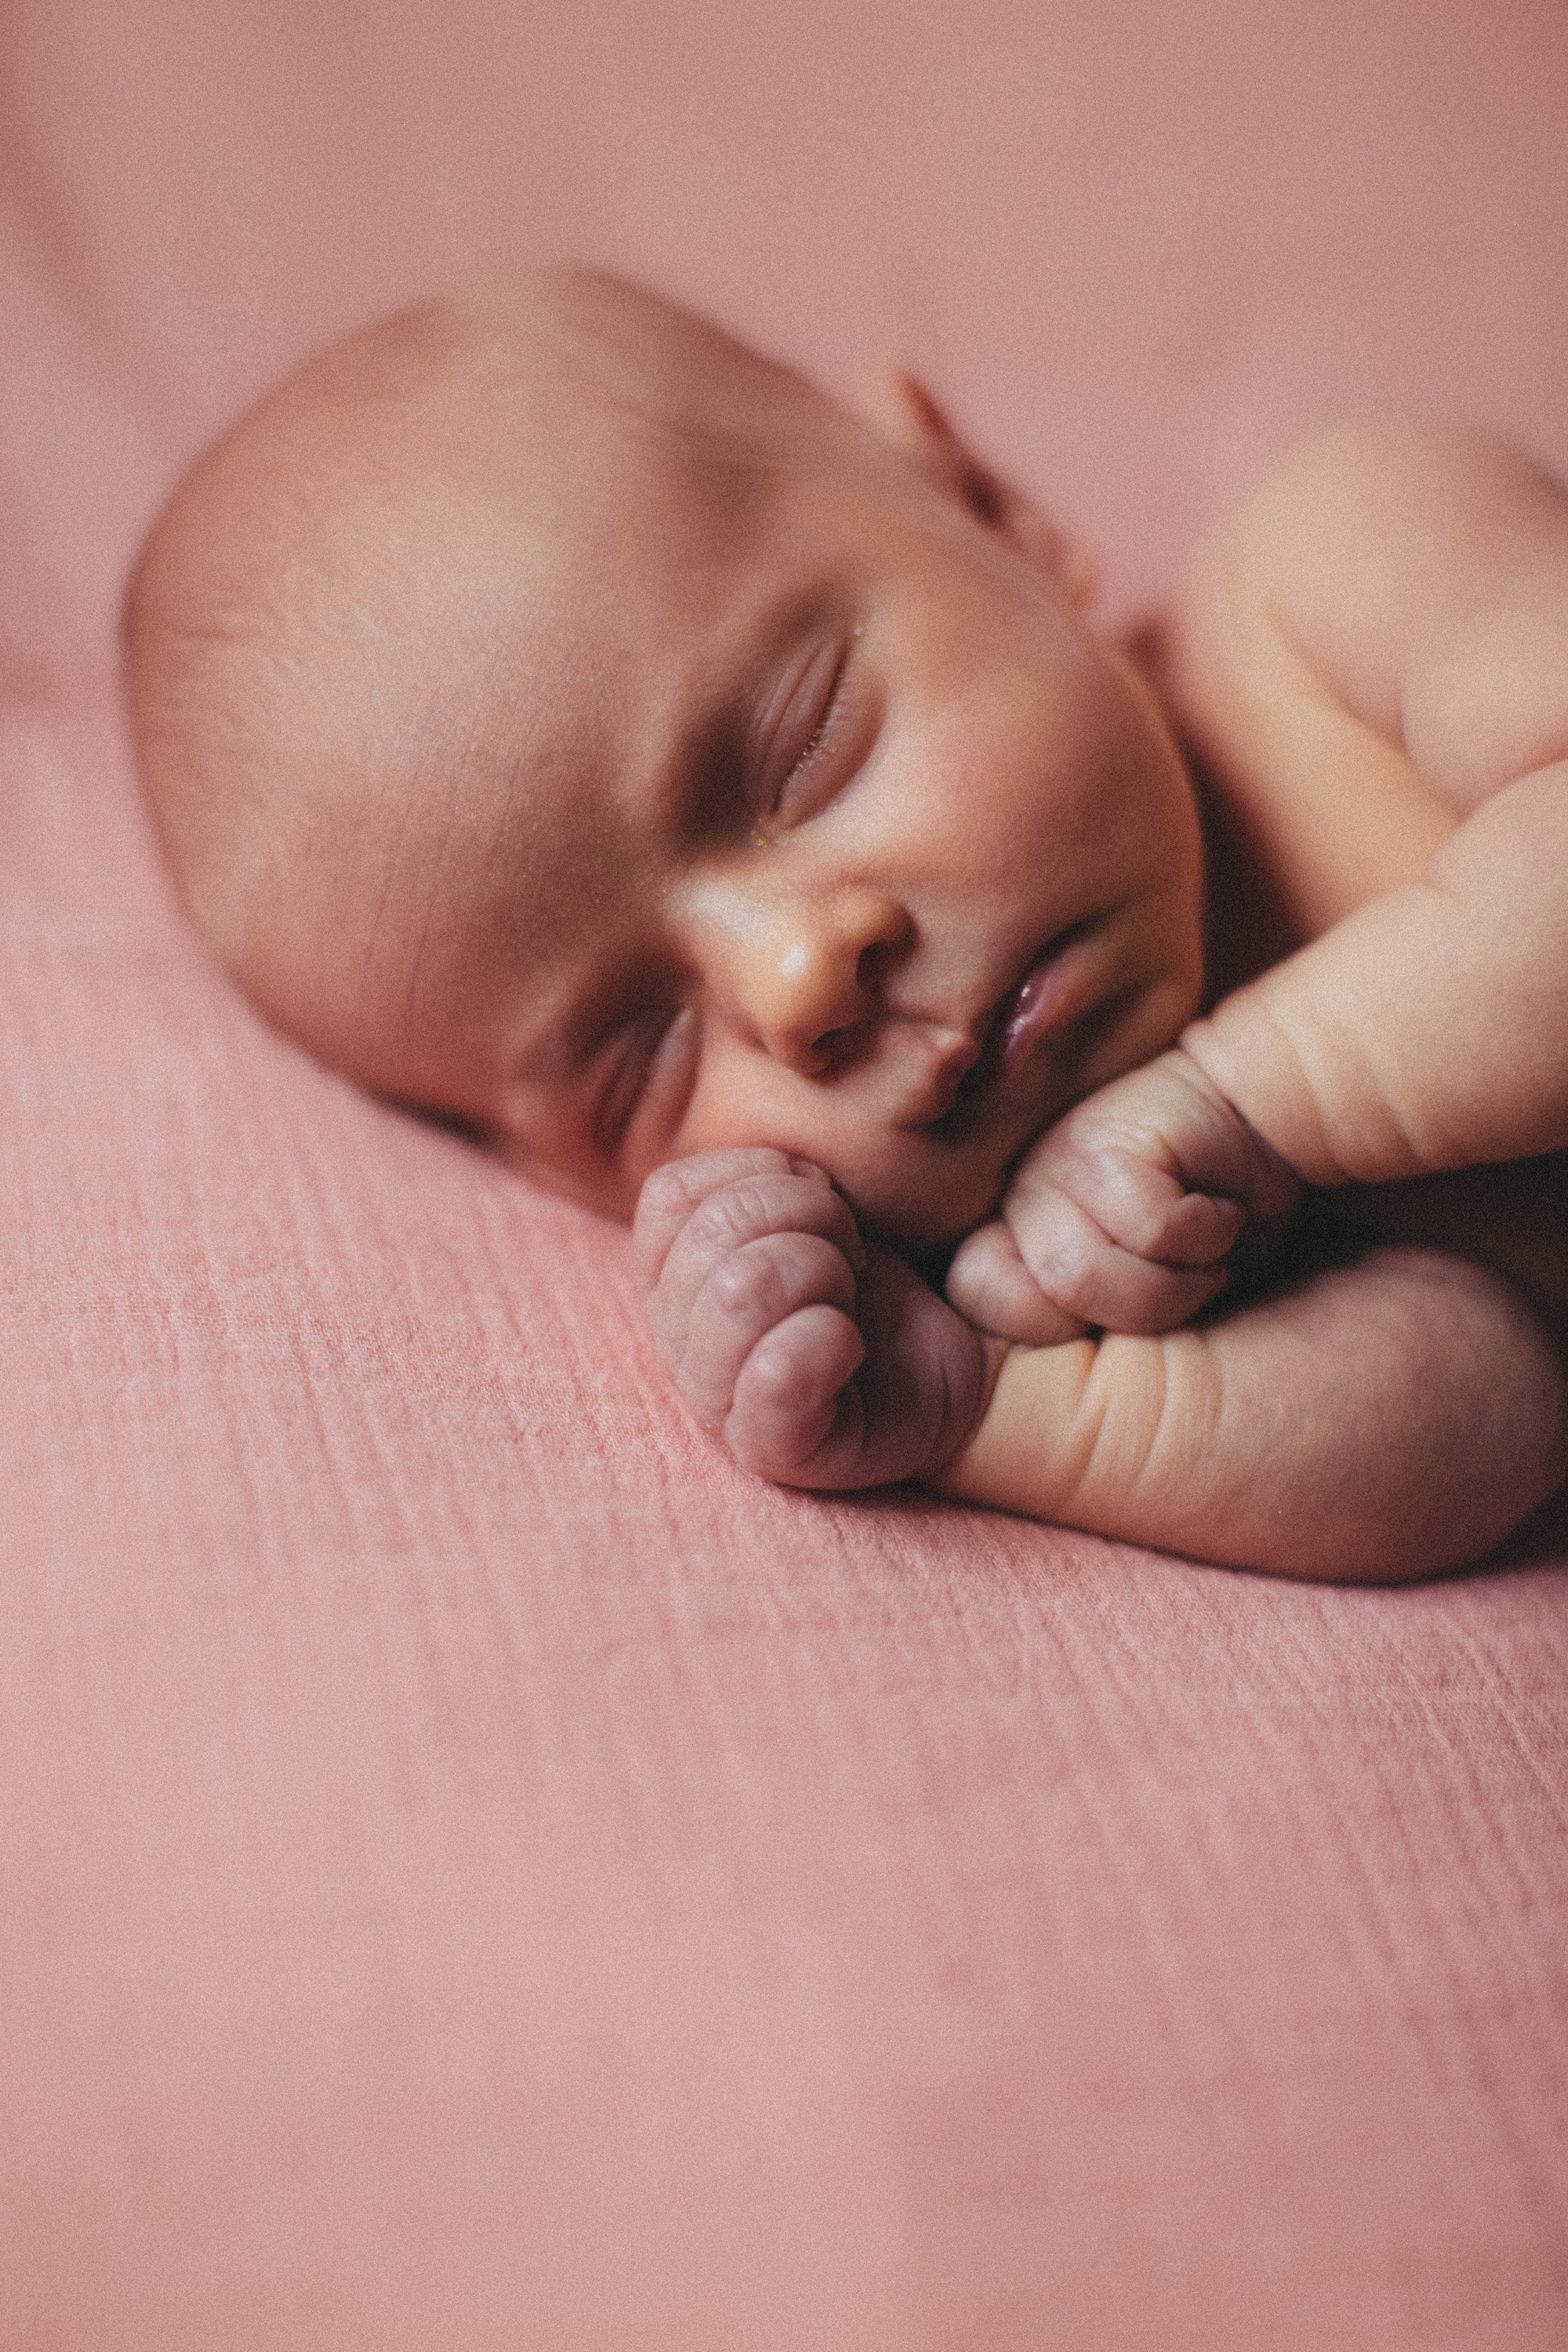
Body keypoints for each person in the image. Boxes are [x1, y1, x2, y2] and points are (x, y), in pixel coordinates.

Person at [123, 269, 1568, 1581]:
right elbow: (1490, 1430)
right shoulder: (1062, 1241)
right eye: (645, 1061)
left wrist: (1263, 1099)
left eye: (801, 757)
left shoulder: (1333, 573)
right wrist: (979, 1406)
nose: (799, 976)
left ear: (975, 498)